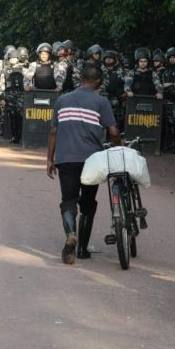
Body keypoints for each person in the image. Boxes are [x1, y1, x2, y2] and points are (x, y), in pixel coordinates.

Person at [47, 65, 121, 265]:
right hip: (91, 161)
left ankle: (71, 234)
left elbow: (53, 132)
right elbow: (113, 132)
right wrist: (118, 148)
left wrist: (49, 160)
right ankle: (82, 249)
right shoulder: (101, 102)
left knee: (68, 201)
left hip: (66, 159)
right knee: (88, 203)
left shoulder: (62, 100)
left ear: (81, 78)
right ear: (98, 82)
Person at [0, 48, 25, 143]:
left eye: (14, 58)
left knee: (21, 116)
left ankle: (21, 135)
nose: (12, 60)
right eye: (10, 58)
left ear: (18, 58)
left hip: (21, 95)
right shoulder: (5, 70)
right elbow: (2, 84)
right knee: (12, 116)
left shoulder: (24, 69)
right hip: (9, 95)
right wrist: (2, 97)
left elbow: (29, 81)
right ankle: (15, 136)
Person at [99, 49, 126, 131]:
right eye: (107, 58)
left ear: (115, 59)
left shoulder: (120, 71)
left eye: (111, 58)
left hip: (115, 99)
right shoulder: (100, 70)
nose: (108, 59)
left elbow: (126, 83)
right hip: (101, 98)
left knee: (114, 121)